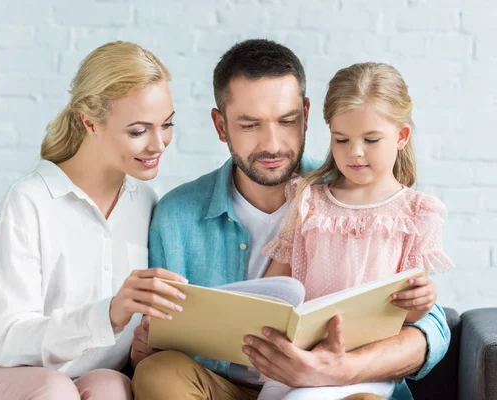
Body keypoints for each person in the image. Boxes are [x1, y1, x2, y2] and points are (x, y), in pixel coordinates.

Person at [130, 40, 451, 400]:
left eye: (287, 121)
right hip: (220, 386)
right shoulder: (176, 215)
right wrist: (146, 342)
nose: (272, 144)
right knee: (158, 372)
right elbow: (156, 331)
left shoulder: (355, 193)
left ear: (307, 114)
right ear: (221, 126)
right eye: (249, 125)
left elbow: (432, 329)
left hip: (337, 387)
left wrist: (339, 369)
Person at [0, 41, 188, 400]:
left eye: (166, 125)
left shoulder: (148, 204)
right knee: (54, 390)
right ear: (89, 122)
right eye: (138, 131)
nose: (159, 144)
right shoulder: (31, 200)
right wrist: (108, 313)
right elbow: (10, 341)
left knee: (112, 387)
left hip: (73, 380)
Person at [256, 62, 455, 399]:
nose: (355, 152)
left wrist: (424, 299)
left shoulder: (416, 212)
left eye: (371, 139)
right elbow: (278, 284)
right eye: (341, 139)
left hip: (362, 366)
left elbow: (410, 312)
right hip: (300, 357)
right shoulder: (309, 200)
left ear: (401, 137)